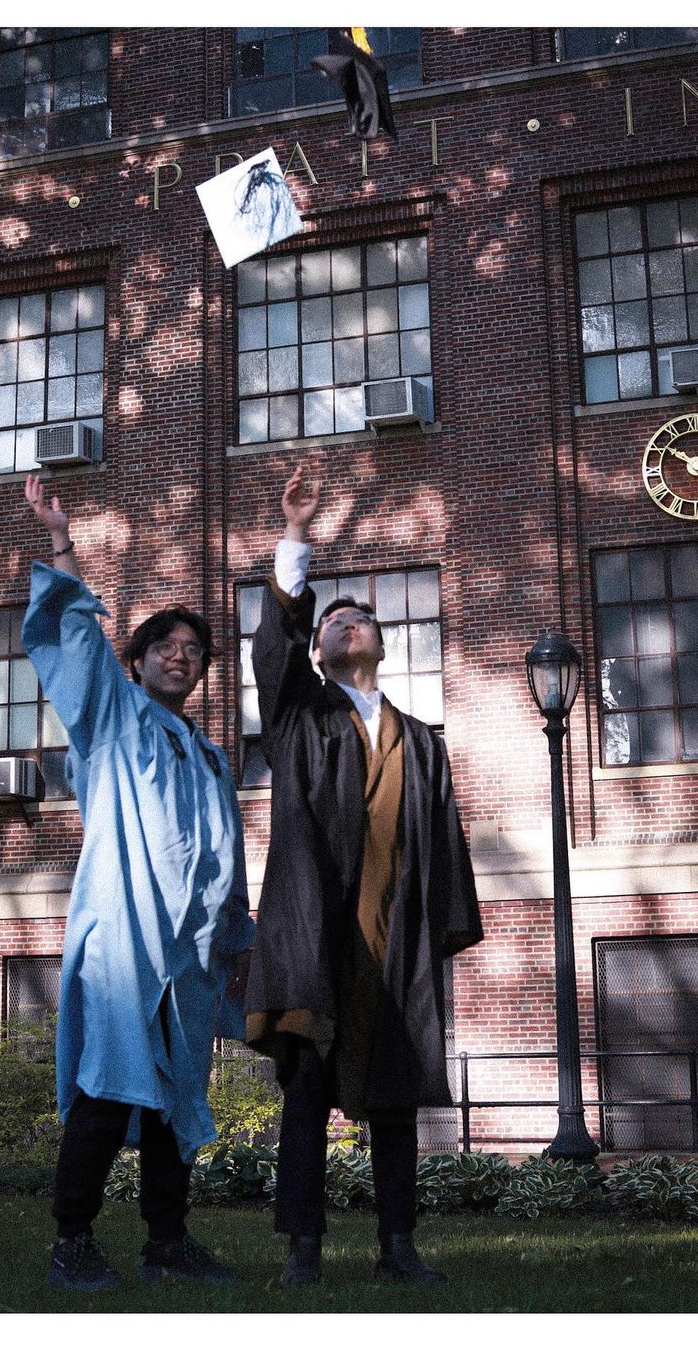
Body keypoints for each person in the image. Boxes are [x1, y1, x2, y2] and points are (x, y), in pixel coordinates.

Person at [244, 465, 484, 1286]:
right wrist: (297, 541)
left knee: (394, 1102)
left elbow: (446, 845)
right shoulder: (299, 717)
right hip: (318, 933)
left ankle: (397, 1245)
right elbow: (271, 650)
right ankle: (303, 1249)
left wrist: (438, 930)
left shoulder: (423, 742)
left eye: (360, 619)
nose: (349, 625)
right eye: (333, 620)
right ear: (316, 649)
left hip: (393, 936)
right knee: (308, 1094)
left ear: (382, 646)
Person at [21, 474, 254, 1292]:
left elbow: (227, 861)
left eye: (193, 652)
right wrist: (60, 540)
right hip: (125, 935)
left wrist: (235, 943)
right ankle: (71, 1242)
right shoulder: (113, 720)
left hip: (187, 952)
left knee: (173, 1096)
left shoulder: (212, 756)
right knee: (108, 1085)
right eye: (166, 646)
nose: (180, 657)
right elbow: (76, 642)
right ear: (139, 659)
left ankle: (167, 1242)